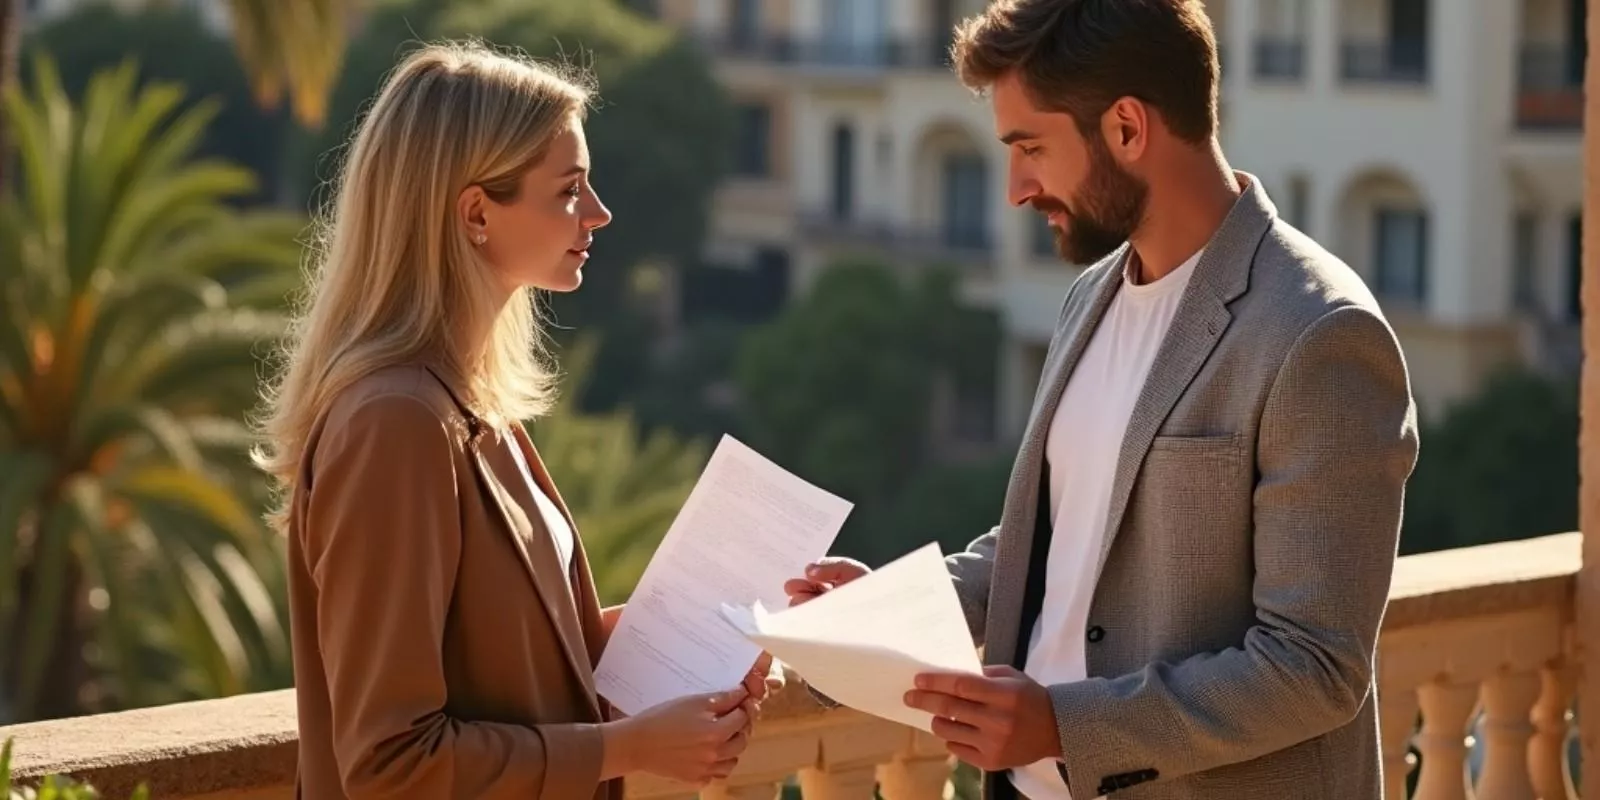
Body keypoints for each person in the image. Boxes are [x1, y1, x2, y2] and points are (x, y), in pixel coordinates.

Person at [785, 1, 1419, 798]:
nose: (1016, 189)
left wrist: (1061, 725)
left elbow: (1315, 666)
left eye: (1031, 148)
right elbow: (1068, 537)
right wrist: (890, 608)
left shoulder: (1319, 334)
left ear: (1125, 127)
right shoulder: (1092, 295)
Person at [255, 42, 776, 800]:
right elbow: (389, 763)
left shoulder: (467, 405)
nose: (599, 214)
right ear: (475, 213)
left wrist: (681, 643)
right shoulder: (396, 423)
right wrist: (628, 745)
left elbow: (501, 654)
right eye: (569, 191)